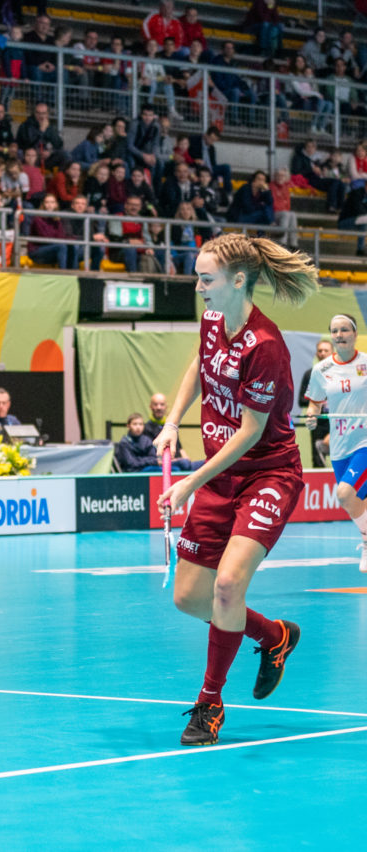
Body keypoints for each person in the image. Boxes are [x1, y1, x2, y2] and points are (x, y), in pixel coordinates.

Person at [153, 233, 319, 746]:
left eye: (207, 279)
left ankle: (209, 703)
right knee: (188, 598)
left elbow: (250, 432)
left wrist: (188, 483)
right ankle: (274, 636)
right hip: (220, 476)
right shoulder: (211, 320)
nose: (198, 286)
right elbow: (198, 368)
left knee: (226, 586)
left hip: (267, 473)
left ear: (238, 280)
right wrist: (171, 421)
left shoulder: (266, 345)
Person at [303, 315, 367, 571]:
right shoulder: (322, 370)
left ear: (354, 333)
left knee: (344, 493)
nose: (339, 334)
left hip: (364, 441)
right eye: (334, 331)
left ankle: (366, 542)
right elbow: (315, 403)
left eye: (344, 330)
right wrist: (311, 416)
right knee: (354, 501)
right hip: (340, 447)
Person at [298, 339, 333, 468]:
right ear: (316, 354)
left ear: (332, 353)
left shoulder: (340, 373)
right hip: (318, 422)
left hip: (336, 421)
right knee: (318, 459)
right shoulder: (310, 374)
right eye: (320, 351)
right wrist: (318, 401)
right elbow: (301, 400)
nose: (323, 353)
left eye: (326, 350)